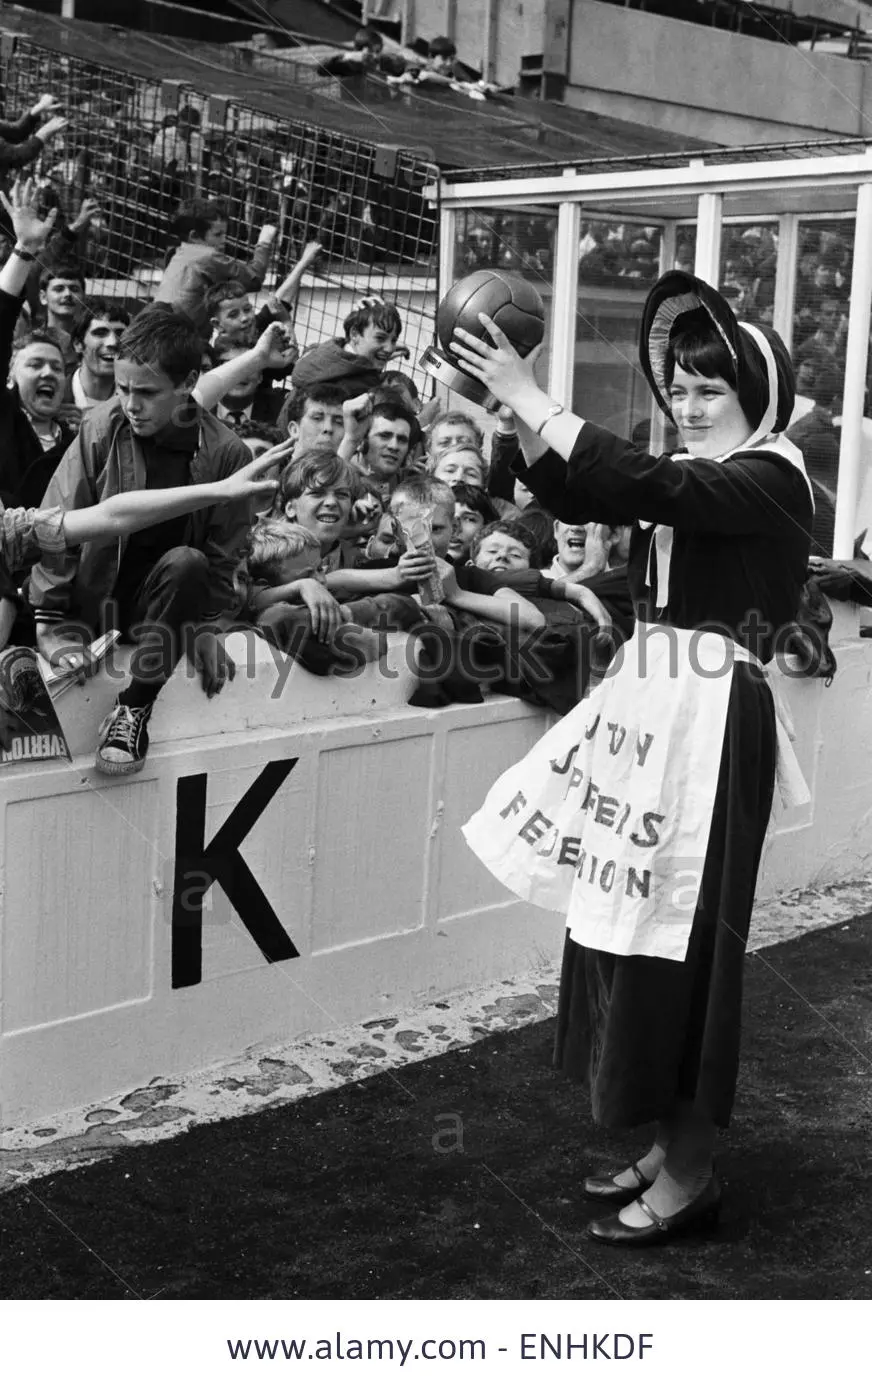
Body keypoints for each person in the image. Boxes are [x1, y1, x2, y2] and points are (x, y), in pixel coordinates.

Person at [456, 270, 813, 1247]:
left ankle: (692, 1171)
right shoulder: (714, 472)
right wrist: (511, 408)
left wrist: (532, 395)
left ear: (758, 399)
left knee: (683, 948)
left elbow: (648, 485)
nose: (687, 404)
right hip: (661, 714)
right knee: (625, 921)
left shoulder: (771, 475)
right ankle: (668, 1139)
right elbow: (581, 483)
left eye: (711, 388)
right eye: (682, 387)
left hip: (711, 721)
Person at [29, 305, 263, 777]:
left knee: (188, 562)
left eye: (146, 393)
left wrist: (207, 626)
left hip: (163, 608)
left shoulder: (227, 452)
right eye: (121, 389)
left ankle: (133, 711)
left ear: (188, 383)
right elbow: (58, 523)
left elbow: (224, 557)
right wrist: (50, 620)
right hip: (94, 607)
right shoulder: (101, 427)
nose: (130, 404)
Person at [154, 198, 277, 334]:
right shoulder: (207, 256)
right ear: (194, 236)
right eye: (218, 235)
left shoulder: (178, 254)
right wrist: (264, 242)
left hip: (160, 330)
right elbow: (255, 279)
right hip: (184, 338)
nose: (224, 240)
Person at [291, 298, 402, 396]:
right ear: (354, 334)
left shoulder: (324, 357)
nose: (390, 349)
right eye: (380, 338)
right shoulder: (355, 385)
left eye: (393, 340)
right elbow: (299, 374)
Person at [66, 299, 131, 415]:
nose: (112, 342)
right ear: (78, 344)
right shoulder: (57, 398)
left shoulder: (135, 402)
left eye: (120, 334)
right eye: (100, 333)